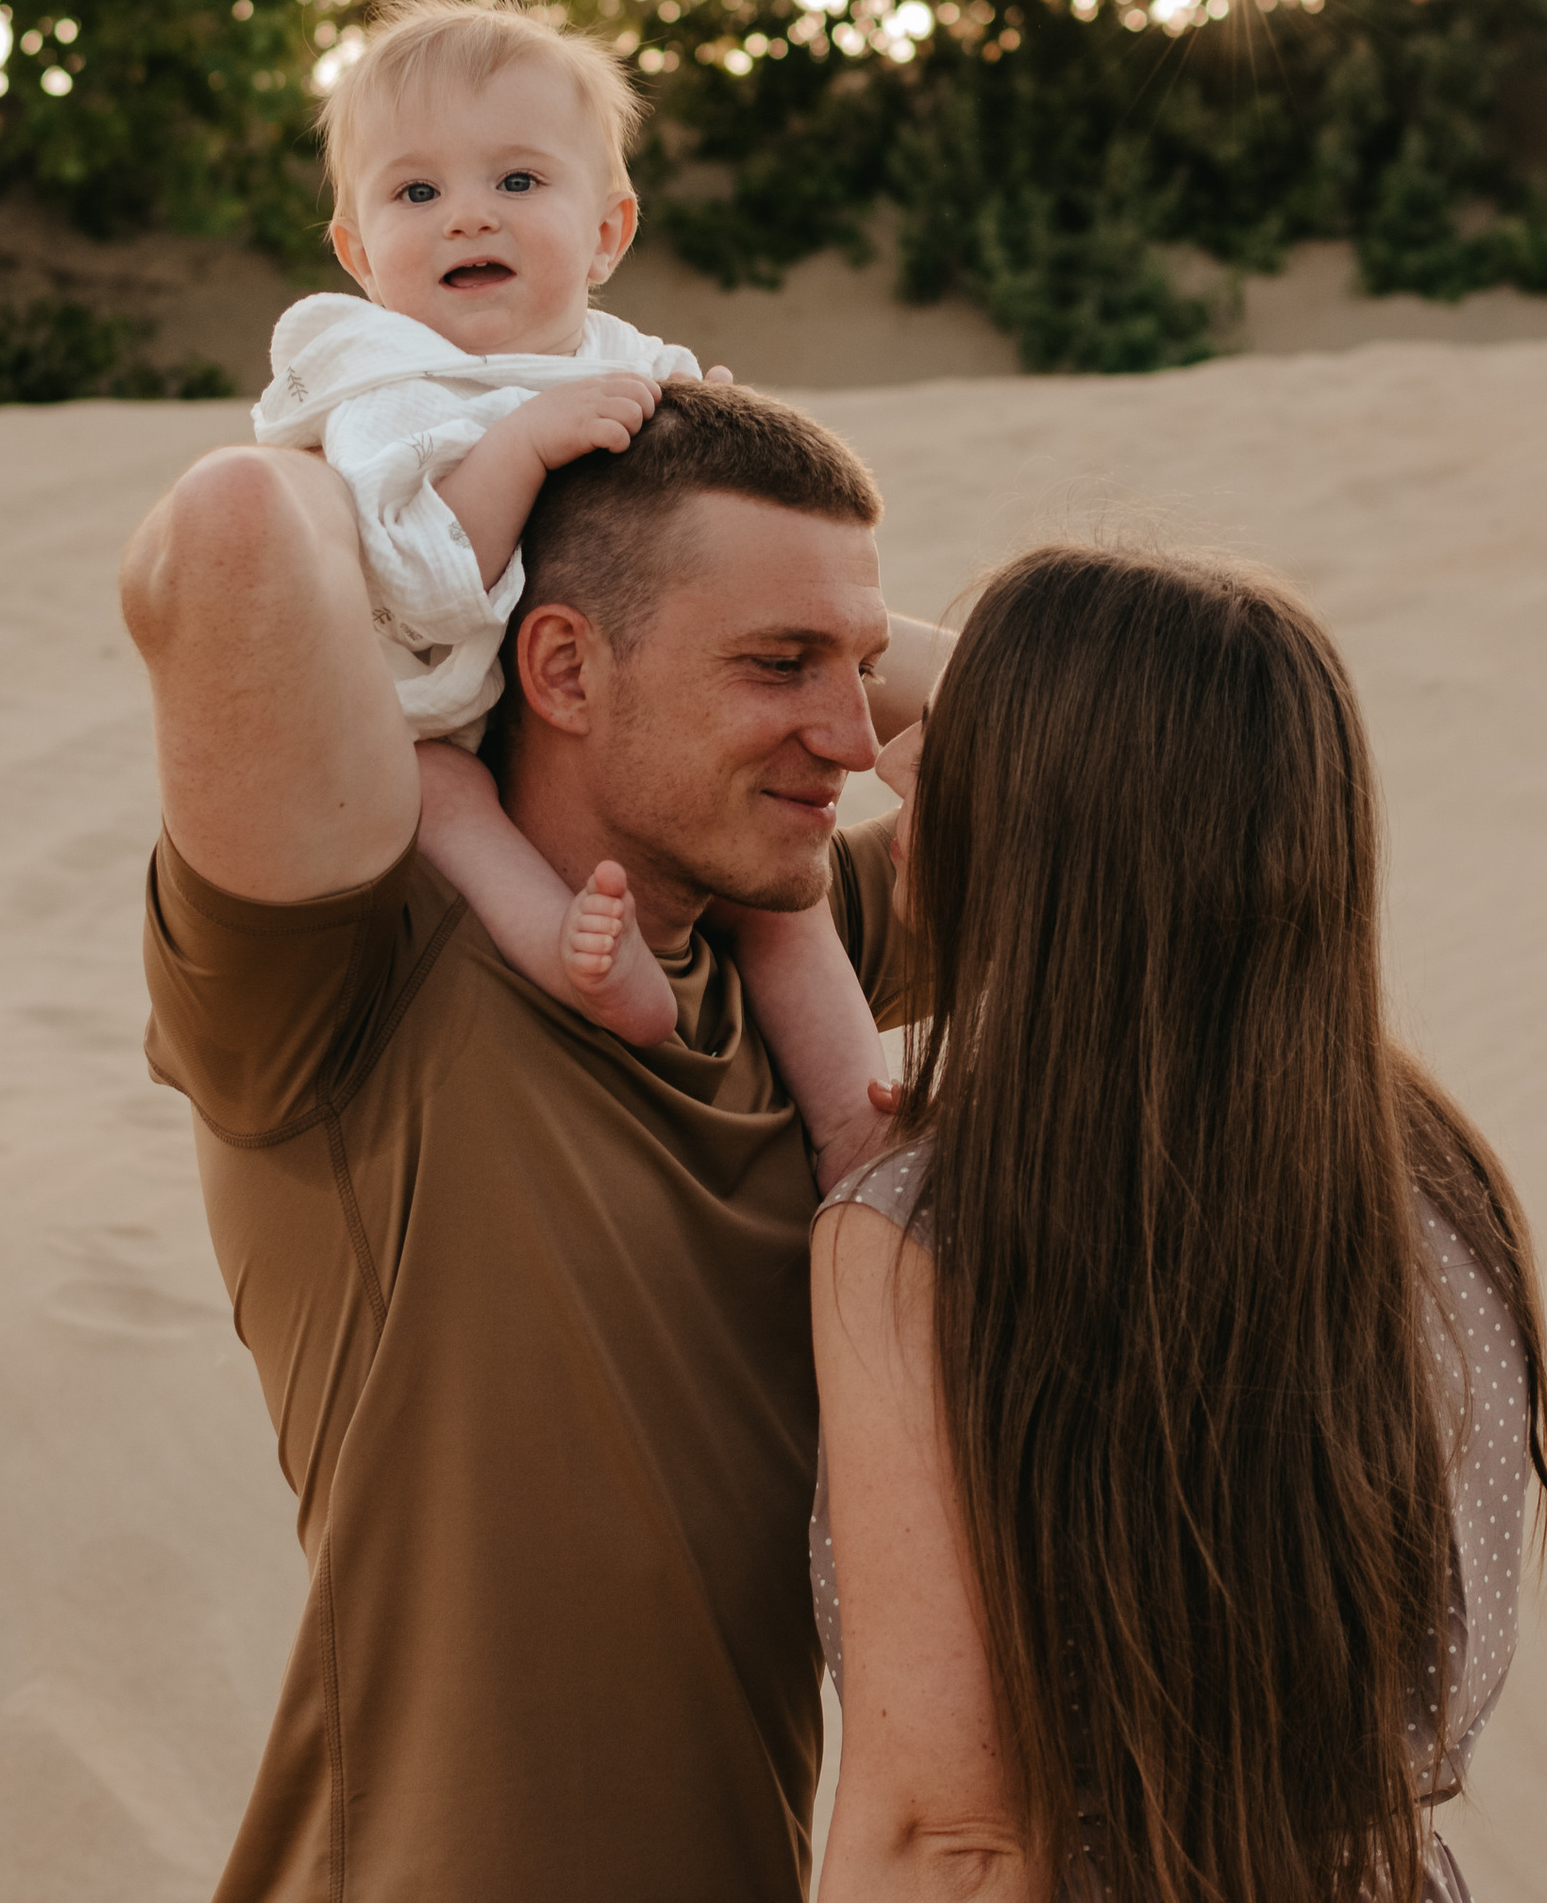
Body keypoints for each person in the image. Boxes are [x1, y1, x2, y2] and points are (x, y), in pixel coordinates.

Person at [121, 374, 944, 1901]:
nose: (850, 739)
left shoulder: (795, 950)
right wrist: (441, 471)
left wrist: (798, 600)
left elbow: (1141, 755)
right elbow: (232, 529)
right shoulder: (354, 981)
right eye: (779, 665)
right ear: (559, 666)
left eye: (866, 669)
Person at [811, 544, 1547, 1903]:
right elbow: (1189, 763)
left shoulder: (920, 1237)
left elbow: (948, 1831)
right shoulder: (1428, 1179)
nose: (896, 772)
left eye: (948, 758)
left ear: (1045, 832)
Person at [249, 0, 891, 1186]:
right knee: (447, 804)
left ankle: (857, 1115)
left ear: (605, 233)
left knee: (779, 895)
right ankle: (566, 953)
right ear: (356, 249)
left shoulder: (616, 356)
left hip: (589, 702)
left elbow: (699, 509)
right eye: (416, 192)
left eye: (518, 182)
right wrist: (522, 447)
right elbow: (427, 587)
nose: (464, 218)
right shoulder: (386, 384)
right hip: (431, 703)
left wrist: (706, 428)